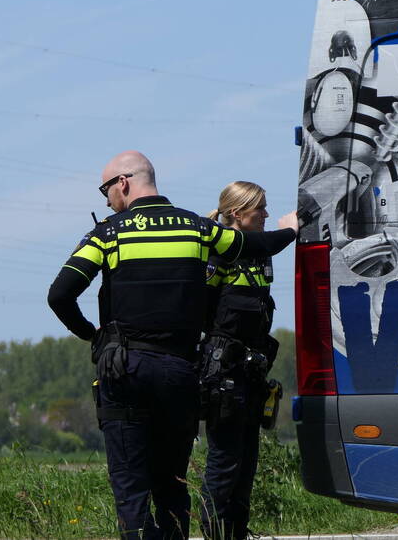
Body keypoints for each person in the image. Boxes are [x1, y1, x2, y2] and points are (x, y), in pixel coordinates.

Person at [46, 151, 298, 540]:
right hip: (179, 374)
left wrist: (94, 336)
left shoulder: (109, 233)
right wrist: (293, 231)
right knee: (172, 486)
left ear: (123, 183)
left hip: (124, 370)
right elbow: (252, 245)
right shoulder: (197, 229)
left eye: (105, 189)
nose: (106, 199)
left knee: (131, 489)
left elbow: (60, 295)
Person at [199, 181, 283, 540]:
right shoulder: (217, 253)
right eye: (259, 209)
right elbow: (200, 307)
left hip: (252, 370)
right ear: (237, 213)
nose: (266, 214)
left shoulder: (260, 254)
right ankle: (214, 533)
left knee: (247, 461)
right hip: (223, 372)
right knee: (224, 461)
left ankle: (237, 532)